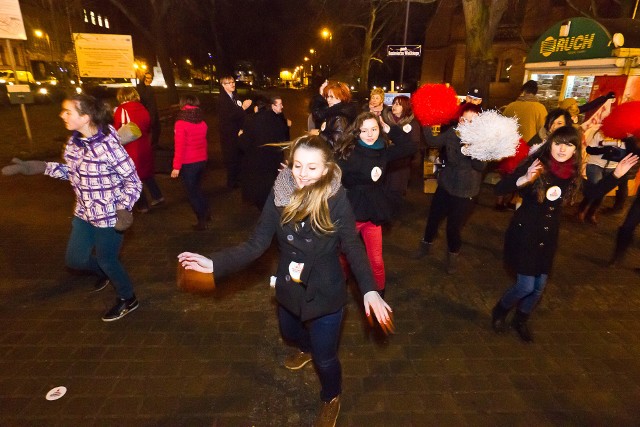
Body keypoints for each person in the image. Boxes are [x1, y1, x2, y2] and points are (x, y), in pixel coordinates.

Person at [178, 135, 393, 427]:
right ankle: (305, 348)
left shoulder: (336, 198)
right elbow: (256, 244)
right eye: (298, 165)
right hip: (289, 286)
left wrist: (369, 290)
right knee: (289, 331)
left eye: (312, 168)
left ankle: (331, 396)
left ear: (327, 169)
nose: (302, 174)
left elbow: (353, 248)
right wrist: (215, 263)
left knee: (325, 358)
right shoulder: (280, 192)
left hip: (326, 292)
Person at [1, 94, 143, 321]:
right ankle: (104, 273)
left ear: (85, 117)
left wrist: (124, 208)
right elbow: (71, 172)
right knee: (75, 260)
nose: (62, 115)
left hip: (110, 217)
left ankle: (128, 298)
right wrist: (36, 167)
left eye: (68, 112)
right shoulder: (73, 144)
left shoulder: (109, 147)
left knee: (108, 260)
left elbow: (133, 181)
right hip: (84, 213)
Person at [491, 126, 638, 342]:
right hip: (524, 232)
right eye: (558, 143)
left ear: (575, 150)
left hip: (548, 235)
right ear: (550, 144)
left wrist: (616, 175)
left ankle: (520, 320)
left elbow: (593, 192)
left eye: (569, 145)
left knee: (539, 287)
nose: (562, 149)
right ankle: (500, 311)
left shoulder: (572, 174)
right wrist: (525, 178)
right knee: (525, 286)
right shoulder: (536, 164)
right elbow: (500, 189)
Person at [334, 112, 417, 297]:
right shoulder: (348, 152)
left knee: (376, 259)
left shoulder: (383, 150)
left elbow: (410, 147)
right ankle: (340, 285)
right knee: (343, 256)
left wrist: (391, 128)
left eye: (374, 129)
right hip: (352, 212)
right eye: (364, 130)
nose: (370, 134)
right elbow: (328, 173)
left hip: (374, 211)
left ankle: (379, 293)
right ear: (357, 132)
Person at [413, 103, 486, 274]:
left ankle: (453, 255)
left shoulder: (482, 140)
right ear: (459, 119)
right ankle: (425, 246)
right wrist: (426, 119)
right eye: (464, 119)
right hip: (446, 185)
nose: (467, 123)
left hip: (466, 191)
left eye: (472, 120)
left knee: (453, 227)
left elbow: (481, 166)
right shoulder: (453, 132)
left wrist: (473, 151)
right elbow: (433, 140)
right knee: (433, 218)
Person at [114, 87, 164, 213]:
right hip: (144, 144)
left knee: (132, 176)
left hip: (130, 147)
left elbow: (117, 129)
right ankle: (157, 195)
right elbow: (147, 125)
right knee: (146, 173)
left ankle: (143, 205)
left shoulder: (121, 109)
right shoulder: (142, 108)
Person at [239, 95, 291, 210]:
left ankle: (263, 208)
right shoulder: (279, 119)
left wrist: (240, 136)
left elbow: (244, 144)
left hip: (257, 161)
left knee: (260, 189)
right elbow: (284, 139)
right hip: (274, 160)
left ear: (257, 107)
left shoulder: (251, 120)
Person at [171, 94, 210, 231]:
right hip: (201, 160)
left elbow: (179, 146)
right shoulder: (201, 120)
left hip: (189, 163)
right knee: (198, 189)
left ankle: (202, 219)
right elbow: (204, 142)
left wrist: (176, 167)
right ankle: (206, 212)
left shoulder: (181, 122)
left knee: (192, 193)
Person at [380, 95, 421, 209]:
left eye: (398, 104)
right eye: (394, 103)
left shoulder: (412, 123)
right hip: (386, 160)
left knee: (395, 191)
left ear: (405, 107)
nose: (394, 106)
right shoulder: (385, 119)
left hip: (401, 164)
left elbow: (413, 145)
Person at [217, 75, 252, 188]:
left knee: (238, 156)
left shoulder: (234, 96)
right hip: (229, 134)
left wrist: (243, 126)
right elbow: (229, 116)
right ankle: (231, 183)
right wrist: (243, 108)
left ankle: (238, 178)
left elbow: (240, 114)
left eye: (233, 82)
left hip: (238, 131)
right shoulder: (222, 99)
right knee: (231, 157)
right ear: (223, 85)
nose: (232, 84)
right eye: (229, 83)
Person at [309, 80, 358, 148]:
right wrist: (320, 94)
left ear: (341, 97)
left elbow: (336, 145)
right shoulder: (333, 111)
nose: (328, 100)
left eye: (331, 97)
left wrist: (319, 134)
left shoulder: (340, 117)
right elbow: (318, 113)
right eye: (327, 96)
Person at [137, 72, 161, 149]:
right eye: (147, 78)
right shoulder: (141, 87)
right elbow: (146, 98)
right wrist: (148, 87)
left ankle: (154, 144)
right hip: (147, 111)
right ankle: (147, 145)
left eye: (150, 78)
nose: (149, 80)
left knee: (157, 128)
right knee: (148, 129)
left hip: (153, 111)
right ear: (144, 78)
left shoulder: (149, 87)